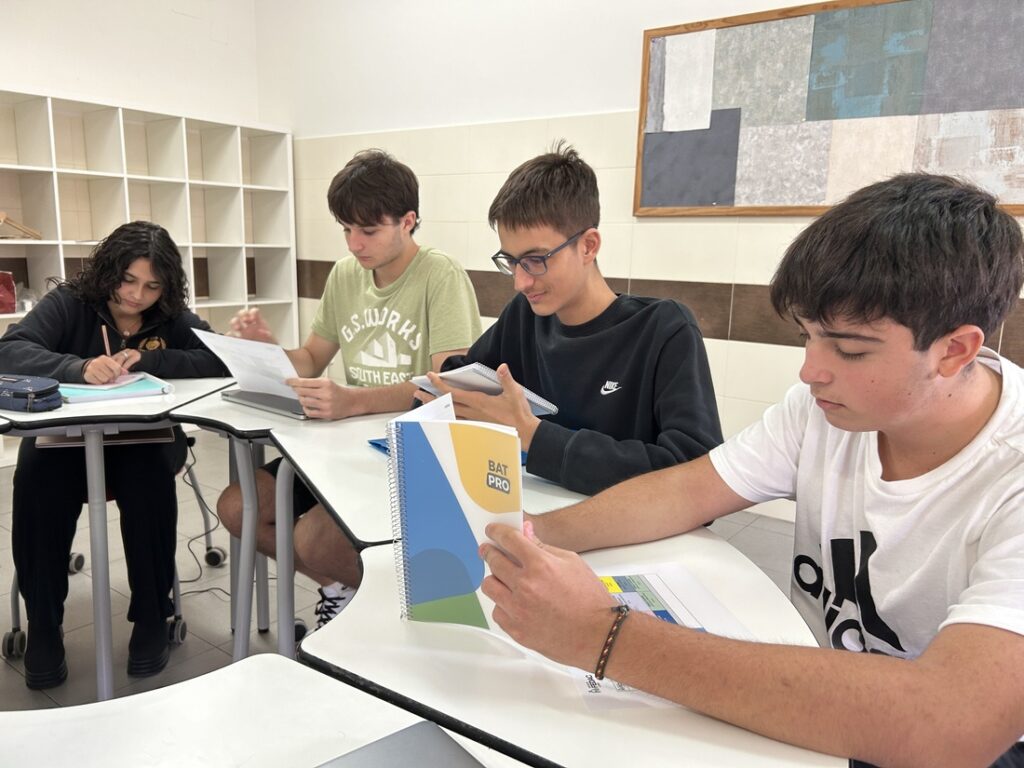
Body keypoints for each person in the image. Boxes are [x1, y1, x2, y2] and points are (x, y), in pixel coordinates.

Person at [479, 174, 1024, 768]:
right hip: (820, 702)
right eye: (807, 337)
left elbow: (949, 727)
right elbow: (687, 489)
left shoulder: (1009, 470)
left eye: (850, 350)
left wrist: (602, 635)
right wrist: (527, 536)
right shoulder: (821, 411)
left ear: (955, 350)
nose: (811, 371)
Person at [217, 149, 481, 629]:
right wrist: (269, 350)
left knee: (314, 539)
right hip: (343, 443)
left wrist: (352, 400)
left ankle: (375, 605)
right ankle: (343, 588)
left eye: (368, 230)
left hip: (409, 449)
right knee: (238, 508)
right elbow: (312, 359)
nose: (355, 243)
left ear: (408, 221)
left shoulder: (440, 275)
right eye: (346, 229)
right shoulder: (344, 275)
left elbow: (445, 386)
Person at [0, 221, 229, 689]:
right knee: (38, 483)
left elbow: (219, 358)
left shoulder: (170, 316)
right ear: (108, 271)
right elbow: (9, 352)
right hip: (62, 444)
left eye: (152, 285)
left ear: (166, 287)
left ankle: (151, 619)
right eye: (127, 280)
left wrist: (148, 359)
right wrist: (77, 367)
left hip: (141, 443)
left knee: (149, 484)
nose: (136, 295)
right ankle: (44, 626)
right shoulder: (70, 304)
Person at [426, 142, 722, 496]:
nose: (521, 282)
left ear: (588, 246)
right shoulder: (524, 317)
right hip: (537, 522)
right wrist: (441, 398)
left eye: (536, 259)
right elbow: (462, 377)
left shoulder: (663, 330)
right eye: (511, 261)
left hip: (636, 539)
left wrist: (533, 435)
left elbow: (696, 477)